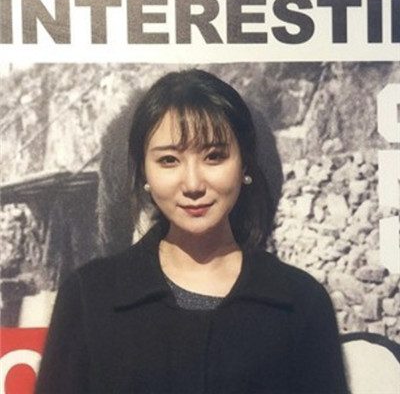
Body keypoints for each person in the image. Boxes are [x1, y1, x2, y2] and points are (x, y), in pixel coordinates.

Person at [35, 69, 348, 394]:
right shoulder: (89, 298)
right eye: (169, 160)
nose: (194, 184)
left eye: (214, 156)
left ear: (244, 165)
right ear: (143, 172)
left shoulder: (301, 303)